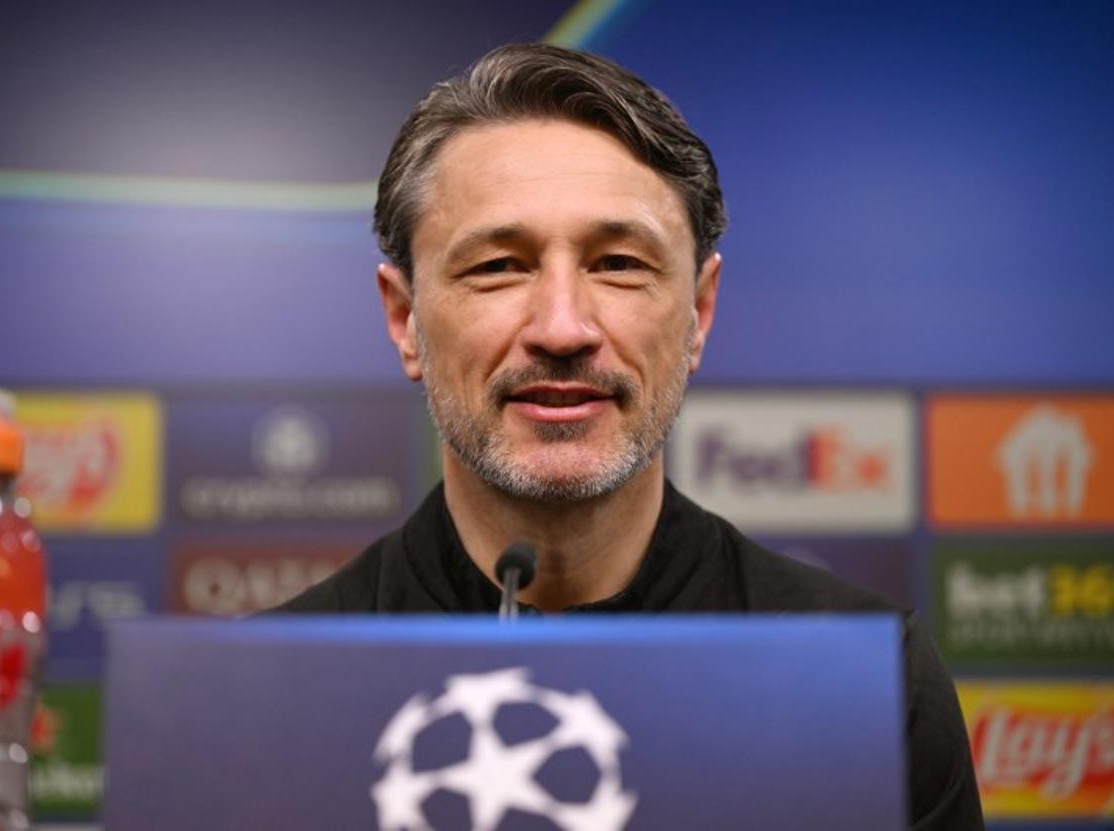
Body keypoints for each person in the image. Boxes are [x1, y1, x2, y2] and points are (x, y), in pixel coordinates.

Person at [275, 43, 983, 829]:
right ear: (405, 319)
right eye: (499, 266)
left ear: (698, 313)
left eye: (617, 263)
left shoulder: (868, 684)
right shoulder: (262, 696)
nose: (563, 327)